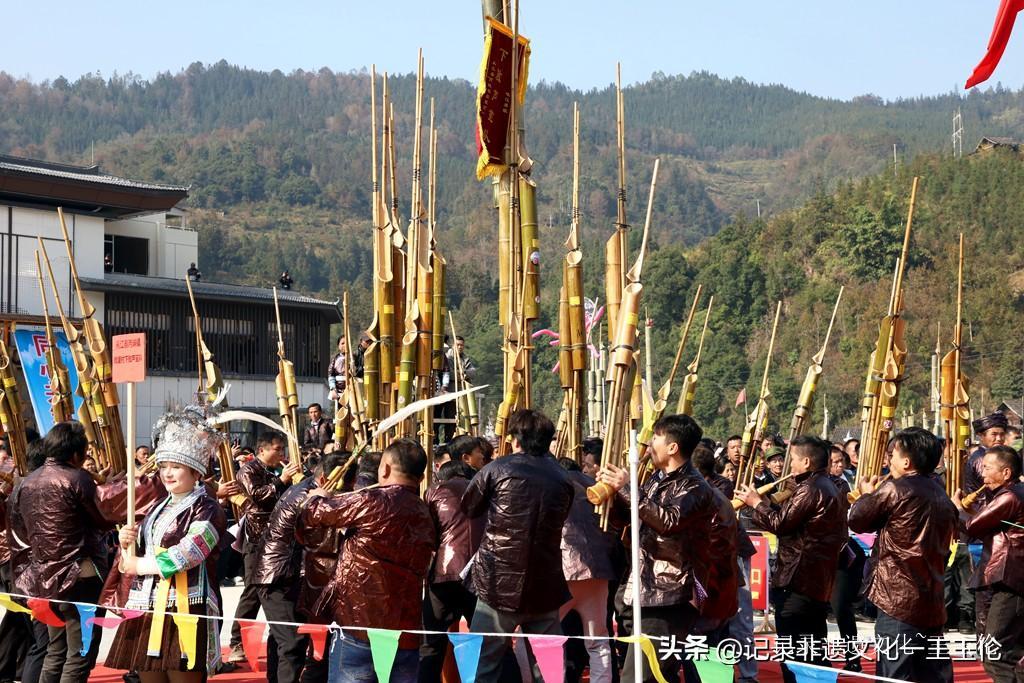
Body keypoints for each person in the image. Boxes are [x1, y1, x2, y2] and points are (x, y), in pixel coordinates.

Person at [102, 409, 228, 681]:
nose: (167, 473)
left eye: (176, 466)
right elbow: (133, 557)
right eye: (163, 466)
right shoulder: (157, 507)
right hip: (148, 603)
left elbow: (191, 552)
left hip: (185, 605)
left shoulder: (208, 508)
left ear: (196, 471)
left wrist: (140, 564)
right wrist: (127, 544)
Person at [302, 439, 436, 682]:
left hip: (359, 624)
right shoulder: (425, 511)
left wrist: (317, 497)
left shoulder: (372, 501)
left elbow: (315, 514)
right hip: (405, 629)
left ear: (384, 469)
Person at [598, 414, 717, 683]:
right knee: (656, 673)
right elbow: (633, 518)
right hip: (641, 585)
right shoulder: (655, 479)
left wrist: (628, 489)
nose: (649, 445)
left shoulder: (696, 487)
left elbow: (668, 521)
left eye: (655, 438)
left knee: (641, 676)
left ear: (673, 447)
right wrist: (615, 496)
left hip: (670, 591)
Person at [462, 409, 574, 682]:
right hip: (544, 583)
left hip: (497, 583)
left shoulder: (496, 468)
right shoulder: (563, 478)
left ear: (515, 440)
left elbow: (469, 507)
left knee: (484, 665)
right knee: (549, 670)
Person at [848, 428, 958, 683]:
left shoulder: (896, 489)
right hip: (931, 597)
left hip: (898, 597)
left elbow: (857, 520)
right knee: (932, 673)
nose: (888, 460)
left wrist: (866, 494)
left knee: (895, 673)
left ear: (906, 461)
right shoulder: (941, 494)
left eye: (892, 455)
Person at [736, 435, 846, 683]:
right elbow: (791, 519)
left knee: (794, 653)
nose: (790, 465)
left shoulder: (810, 489)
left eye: (793, 459)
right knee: (813, 649)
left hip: (797, 581)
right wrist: (764, 503)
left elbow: (779, 524)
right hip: (816, 581)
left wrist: (755, 504)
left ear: (806, 461)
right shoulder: (828, 486)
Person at [13, 422, 116, 683]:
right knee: (79, 651)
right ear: (76, 454)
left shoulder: (26, 483)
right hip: (79, 573)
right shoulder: (77, 477)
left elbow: (19, 531)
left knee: (56, 649)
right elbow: (102, 518)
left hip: (44, 575)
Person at [254, 451, 345, 683]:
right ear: (326, 479)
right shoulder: (311, 497)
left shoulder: (309, 489)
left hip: (283, 573)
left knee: (283, 638)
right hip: (277, 574)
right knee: (291, 643)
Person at [227, 432, 302, 664]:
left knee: (273, 590)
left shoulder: (273, 471)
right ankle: (237, 641)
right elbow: (259, 497)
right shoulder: (249, 470)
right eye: (277, 449)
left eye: (282, 450)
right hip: (257, 539)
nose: (281, 455)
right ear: (262, 450)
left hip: (277, 541)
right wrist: (282, 481)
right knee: (253, 589)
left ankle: (274, 636)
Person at [953, 445, 1024, 682]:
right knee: (1012, 651)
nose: (982, 475)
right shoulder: (1014, 493)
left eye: (988, 468)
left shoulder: (1009, 496)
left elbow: (973, 527)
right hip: (1008, 577)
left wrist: (957, 510)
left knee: (993, 650)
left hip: (1006, 579)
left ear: (1006, 473)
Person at [419, 461, 484, 682]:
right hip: (479, 574)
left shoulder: (435, 491)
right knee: (491, 642)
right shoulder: (485, 490)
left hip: (444, 573)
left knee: (431, 643)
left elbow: (427, 533)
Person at [558, 458, 616, 683]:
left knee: (544, 637)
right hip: (599, 569)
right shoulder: (596, 487)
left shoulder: (554, 484)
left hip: (564, 569)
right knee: (598, 640)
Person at [327, 336, 347, 400]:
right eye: (342, 343)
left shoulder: (354, 357)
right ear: (338, 346)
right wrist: (333, 388)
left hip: (351, 389)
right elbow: (331, 374)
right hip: (339, 389)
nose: (345, 345)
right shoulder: (335, 358)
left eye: (346, 343)